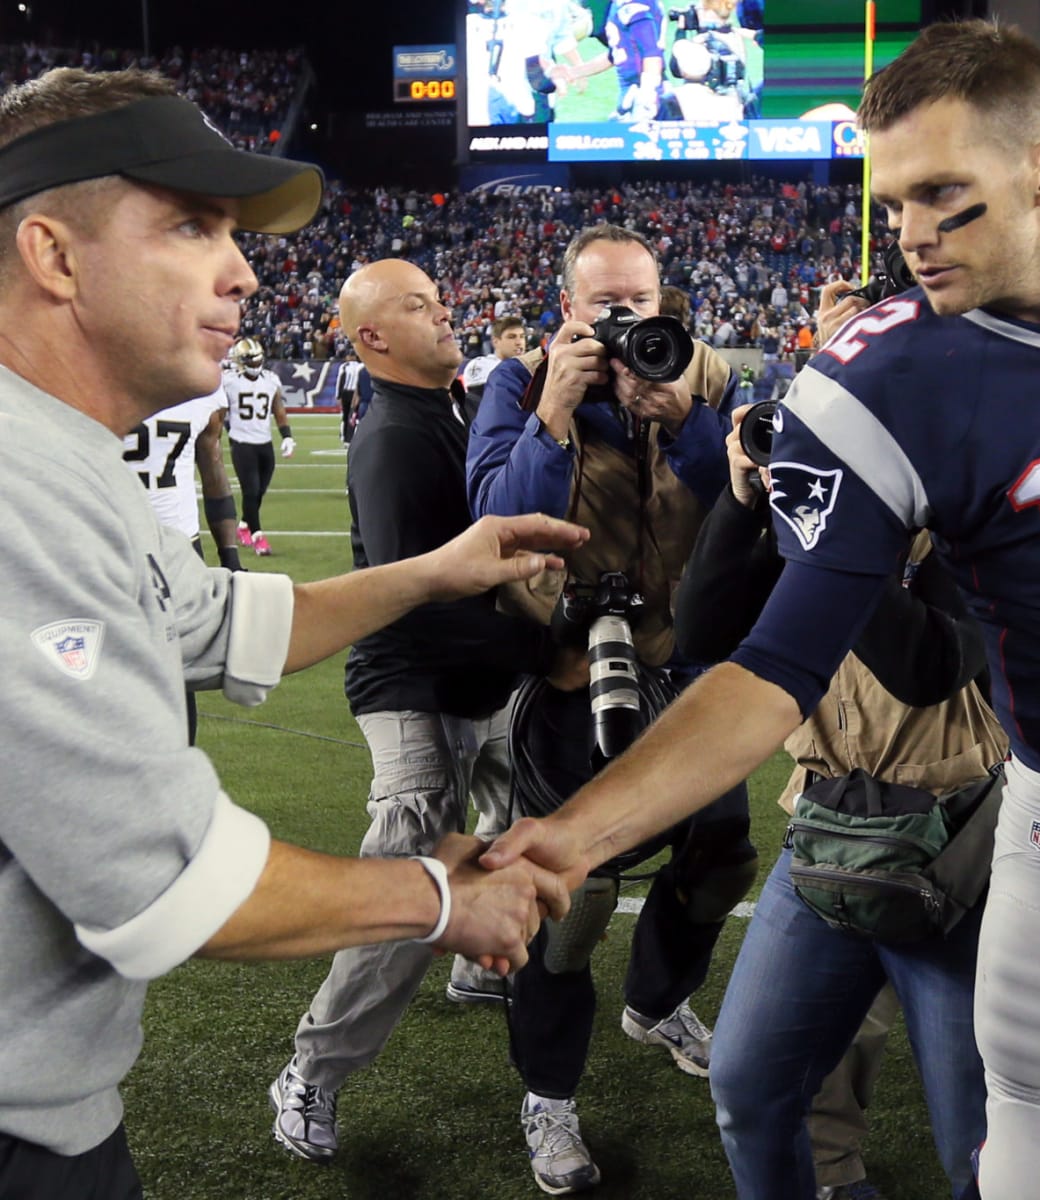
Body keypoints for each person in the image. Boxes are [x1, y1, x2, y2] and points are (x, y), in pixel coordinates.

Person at [482, 21, 1040, 1200]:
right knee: (1022, 1148)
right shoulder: (883, 378)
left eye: (943, 197)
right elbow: (768, 664)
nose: (911, 234)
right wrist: (574, 835)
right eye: (895, 202)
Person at [0, 66, 582, 1200]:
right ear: (54, 255)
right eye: (189, 225)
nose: (243, 270)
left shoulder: (62, 454)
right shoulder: (19, 486)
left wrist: (438, 569)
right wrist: (443, 897)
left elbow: (225, 621)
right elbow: (167, 884)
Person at [468, 222, 758, 1195]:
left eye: (642, 299)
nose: (629, 319)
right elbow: (494, 523)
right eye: (606, 304)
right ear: (570, 310)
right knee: (570, 902)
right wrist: (554, 410)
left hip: (682, 674)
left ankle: (657, 999)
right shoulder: (517, 384)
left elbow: (747, 512)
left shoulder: (699, 376)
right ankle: (549, 1098)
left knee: (724, 854)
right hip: (567, 680)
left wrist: (686, 421)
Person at [270, 259, 563, 1165]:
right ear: (372, 338)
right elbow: (418, 596)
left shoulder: (447, 412)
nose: (443, 314)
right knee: (406, 891)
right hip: (417, 687)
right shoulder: (395, 437)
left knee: (528, 833)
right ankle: (310, 1074)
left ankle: (481, 967)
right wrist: (544, 637)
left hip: (479, 680)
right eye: (415, 306)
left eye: (440, 298)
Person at [674, 403, 1006, 1200]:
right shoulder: (811, 523)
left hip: (956, 848)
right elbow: (700, 630)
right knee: (747, 1087)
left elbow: (929, 663)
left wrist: (825, 536)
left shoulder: (970, 508)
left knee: (980, 1137)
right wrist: (744, 500)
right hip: (823, 834)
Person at [122, 384, 245, 743]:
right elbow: (214, 472)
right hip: (112, 542)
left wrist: (231, 560)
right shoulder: (197, 382)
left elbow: (212, 467)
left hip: (175, 549)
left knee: (178, 670)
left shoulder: (200, 385)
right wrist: (230, 557)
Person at [221, 334, 291, 556]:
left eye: (257, 359)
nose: (255, 364)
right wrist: (226, 431)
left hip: (265, 443)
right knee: (250, 491)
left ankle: (243, 526)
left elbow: (278, 408)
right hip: (242, 443)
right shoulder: (228, 381)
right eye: (250, 360)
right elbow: (219, 411)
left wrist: (287, 436)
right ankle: (258, 536)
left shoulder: (270, 380)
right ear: (240, 361)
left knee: (259, 491)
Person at [460, 313, 528, 419]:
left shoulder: (529, 368)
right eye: (511, 337)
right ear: (496, 341)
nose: (519, 342)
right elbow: (476, 405)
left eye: (522, 337)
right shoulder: (483, 366)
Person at [335, 351, 365, 446]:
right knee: (353, 416)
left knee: (346, 415)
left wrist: (338, 395)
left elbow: (340, 381)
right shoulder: (360, 366)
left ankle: (344, 437)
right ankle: (350, 437)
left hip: (346, 392)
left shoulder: (344, 366)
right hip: (355, 393)